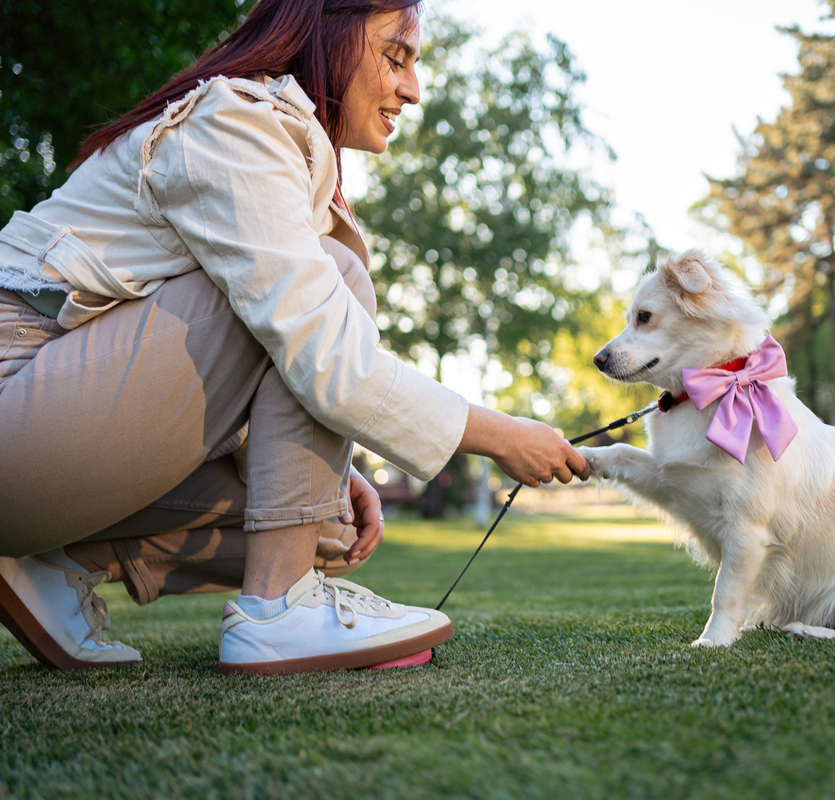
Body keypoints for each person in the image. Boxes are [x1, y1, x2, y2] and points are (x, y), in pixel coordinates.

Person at [0, 0, 588, 675]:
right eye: (395, 57)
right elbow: (319, 350)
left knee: (325, 521)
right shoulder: (236, 121)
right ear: (328, 34)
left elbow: (198, 370)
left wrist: (333, 472)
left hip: (44, 433)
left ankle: (56, 563)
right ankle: (280, 610)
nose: (412, 89)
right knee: (330, 280)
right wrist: (503, 438)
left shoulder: (270, 143)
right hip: (15, 387)